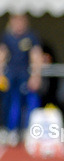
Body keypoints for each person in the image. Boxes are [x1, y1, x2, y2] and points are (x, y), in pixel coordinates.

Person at [0, 14, 45, 145]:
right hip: (10, 74)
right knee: (11, 102)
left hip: (25, 74)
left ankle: (30, 131)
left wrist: (36, 75)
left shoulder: (31, 36)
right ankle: (11, 130)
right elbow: (1, 55)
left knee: (31, 102)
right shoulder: (7, 37)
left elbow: (36, 56)